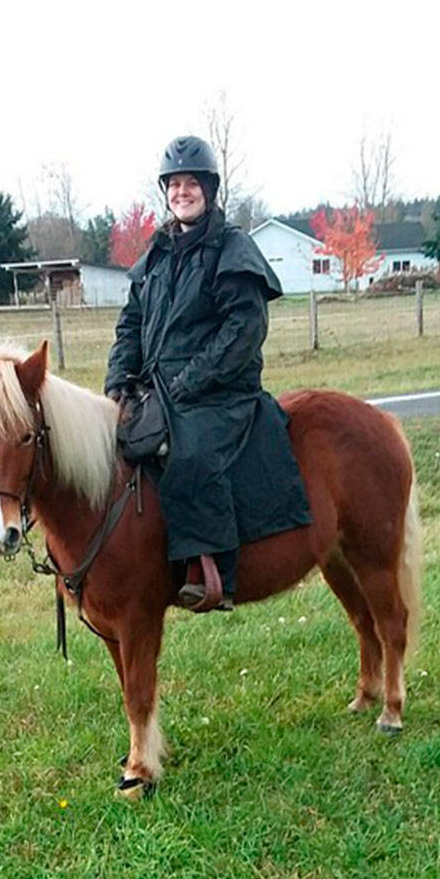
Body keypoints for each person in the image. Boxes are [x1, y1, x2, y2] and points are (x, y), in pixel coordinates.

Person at [105, 135, 311, 612]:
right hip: (160, 387)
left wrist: (191, 381)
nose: (182, 192)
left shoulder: (232, 248)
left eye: (191, 183)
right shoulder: (156, 254)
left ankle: (214, 570)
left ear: (209, 189)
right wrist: (117, 381)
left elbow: (244, 329)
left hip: (222, 391)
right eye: (174, 184)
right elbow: (130, 324)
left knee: (192, 452)